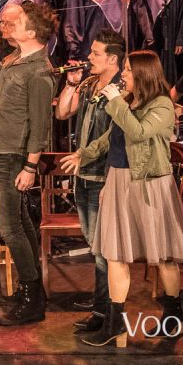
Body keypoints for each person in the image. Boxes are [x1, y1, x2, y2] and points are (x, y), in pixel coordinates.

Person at [61, 51, 183, 347]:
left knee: (163, 256)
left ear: (144, 74)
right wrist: (83, 154)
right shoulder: (129, 102)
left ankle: (174, 317)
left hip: (149, 186)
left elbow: (139, 133)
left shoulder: (161, 105)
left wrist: (116, 103)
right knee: (115, 255)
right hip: (119, 181)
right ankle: (115, 325)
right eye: (123, 69)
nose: (123, 74)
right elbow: (111, 138)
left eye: (128, 70)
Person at [0, 2, 56, 326]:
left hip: (11, 154)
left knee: (10, 228)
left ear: (32, 31)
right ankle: (31, 288)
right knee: (20, 223)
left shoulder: (39, 71)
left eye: (15, 22)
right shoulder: (17, 59)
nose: (7, 26)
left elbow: (41, 124)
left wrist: (31, 166)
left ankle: (31, 298)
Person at [55, 29, 126, 335]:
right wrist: (70, 84)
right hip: (83, 176)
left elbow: (115, 137)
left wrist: (89, 159)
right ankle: (103, 309)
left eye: (96, 54)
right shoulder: (88, 85)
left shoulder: (120, 90)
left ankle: (108, 313)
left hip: (103, 176)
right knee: (94, 244)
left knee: (103, 249)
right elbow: (62, 112)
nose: (89, 58)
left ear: (112, 59)